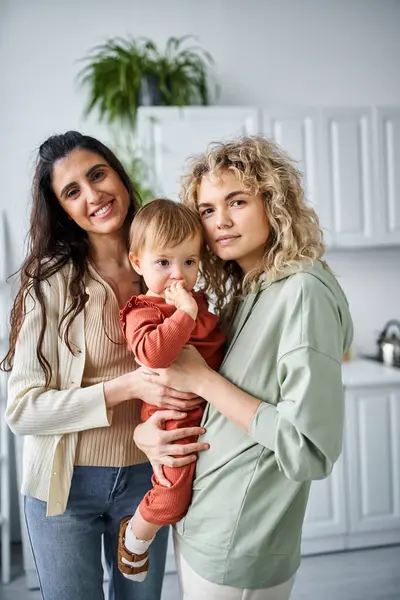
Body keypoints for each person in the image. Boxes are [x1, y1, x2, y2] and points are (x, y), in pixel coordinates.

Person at [132, 136, 354, 600]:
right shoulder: (246, 290)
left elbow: (308, 448)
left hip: (240, 539)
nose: (222, 222)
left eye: (237, 201)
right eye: (208, 210)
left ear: (274, 202)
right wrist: (147, 434)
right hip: (201, 519)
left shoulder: (302, 292)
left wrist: (203, 381)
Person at [2, 131, 209, 600]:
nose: (93, 195)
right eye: (72, 191)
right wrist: (128, 387)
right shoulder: (49, 285)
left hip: (147, 478)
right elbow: (22, 411)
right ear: (62, 209)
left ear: (118, 174)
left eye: (98, 174)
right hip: (64, 485)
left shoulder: (168, 264)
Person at [117, 198, 225, 582]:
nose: (178, 275)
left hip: (207, 414)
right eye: (163, 263)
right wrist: (185, 314)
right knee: (173, 498)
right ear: (137, 262)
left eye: (189, 262)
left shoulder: (196, 303)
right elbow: (155, 354)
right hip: (172, 420)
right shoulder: (142, 311)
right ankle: (135, 538)